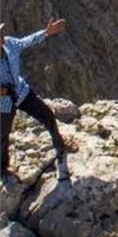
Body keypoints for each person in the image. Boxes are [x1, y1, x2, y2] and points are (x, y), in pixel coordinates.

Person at [0, 19, 70, 183]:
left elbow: (26, 41)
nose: (2, 36)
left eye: (1, 32)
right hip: (4, 103)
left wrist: (46, 32)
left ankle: (60, 147)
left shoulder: (10, 44)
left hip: (21, 92)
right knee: (2, 136)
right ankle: (2, 169)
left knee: (47, 115)